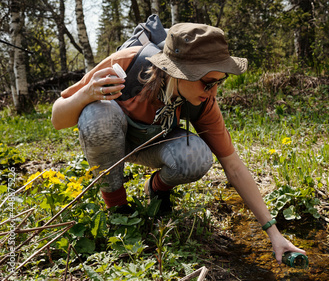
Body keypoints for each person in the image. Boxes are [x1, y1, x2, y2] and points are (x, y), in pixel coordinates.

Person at [51, 22, 305, 263]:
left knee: (196, 156)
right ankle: (119, 211)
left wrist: (274, 233)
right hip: (108, 141)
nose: (213, 93)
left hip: (151, 147)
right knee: (98, 113)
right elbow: (57, 118)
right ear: (177, 71)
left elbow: (234, 167)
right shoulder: (125, 63)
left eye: (219, 82)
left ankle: (158, 189)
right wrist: (86, 94)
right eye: (207, 83)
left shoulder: (204, 103)